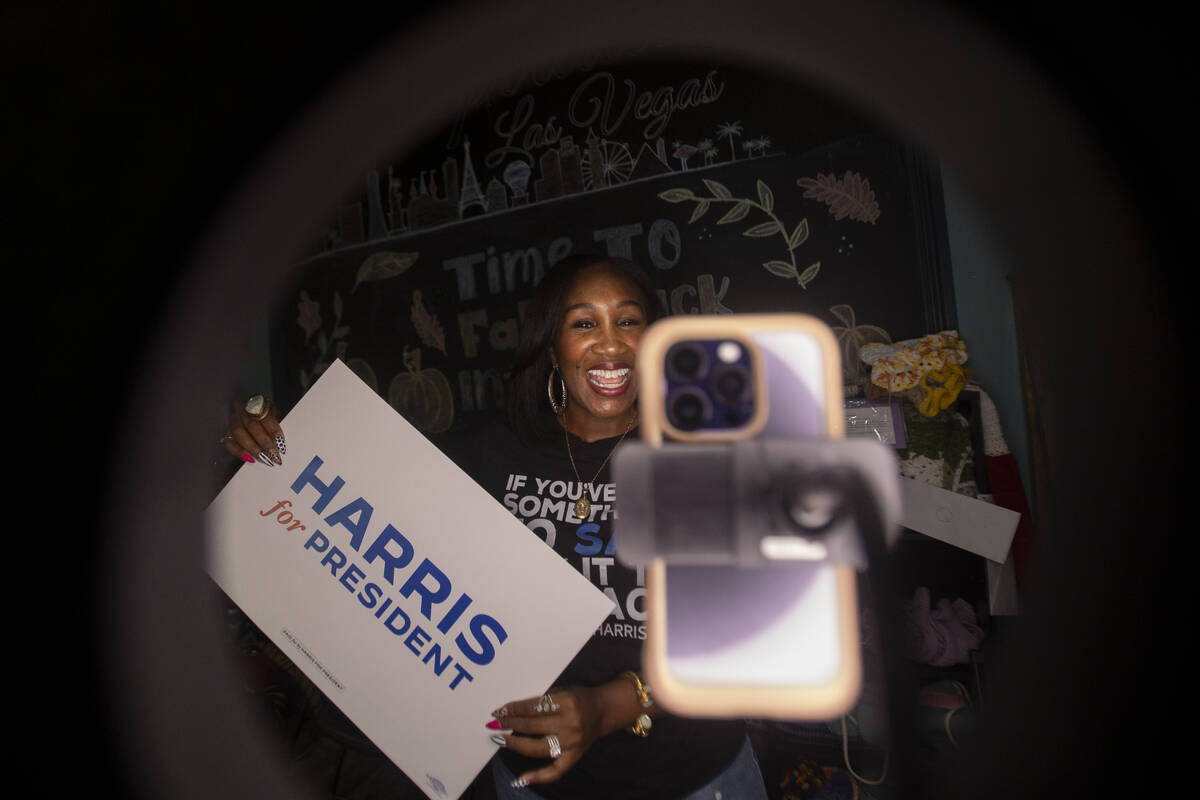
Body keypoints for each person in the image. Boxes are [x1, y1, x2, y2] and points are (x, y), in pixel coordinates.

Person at [222, 253, 768, 800]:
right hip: (531, 785)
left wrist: (607, 707)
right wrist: (268, 434)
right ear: (551, 349)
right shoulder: (489, 454)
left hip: (694, 780)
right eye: (584, 323)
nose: (610, 344)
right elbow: (351, 502)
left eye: (628, 321)